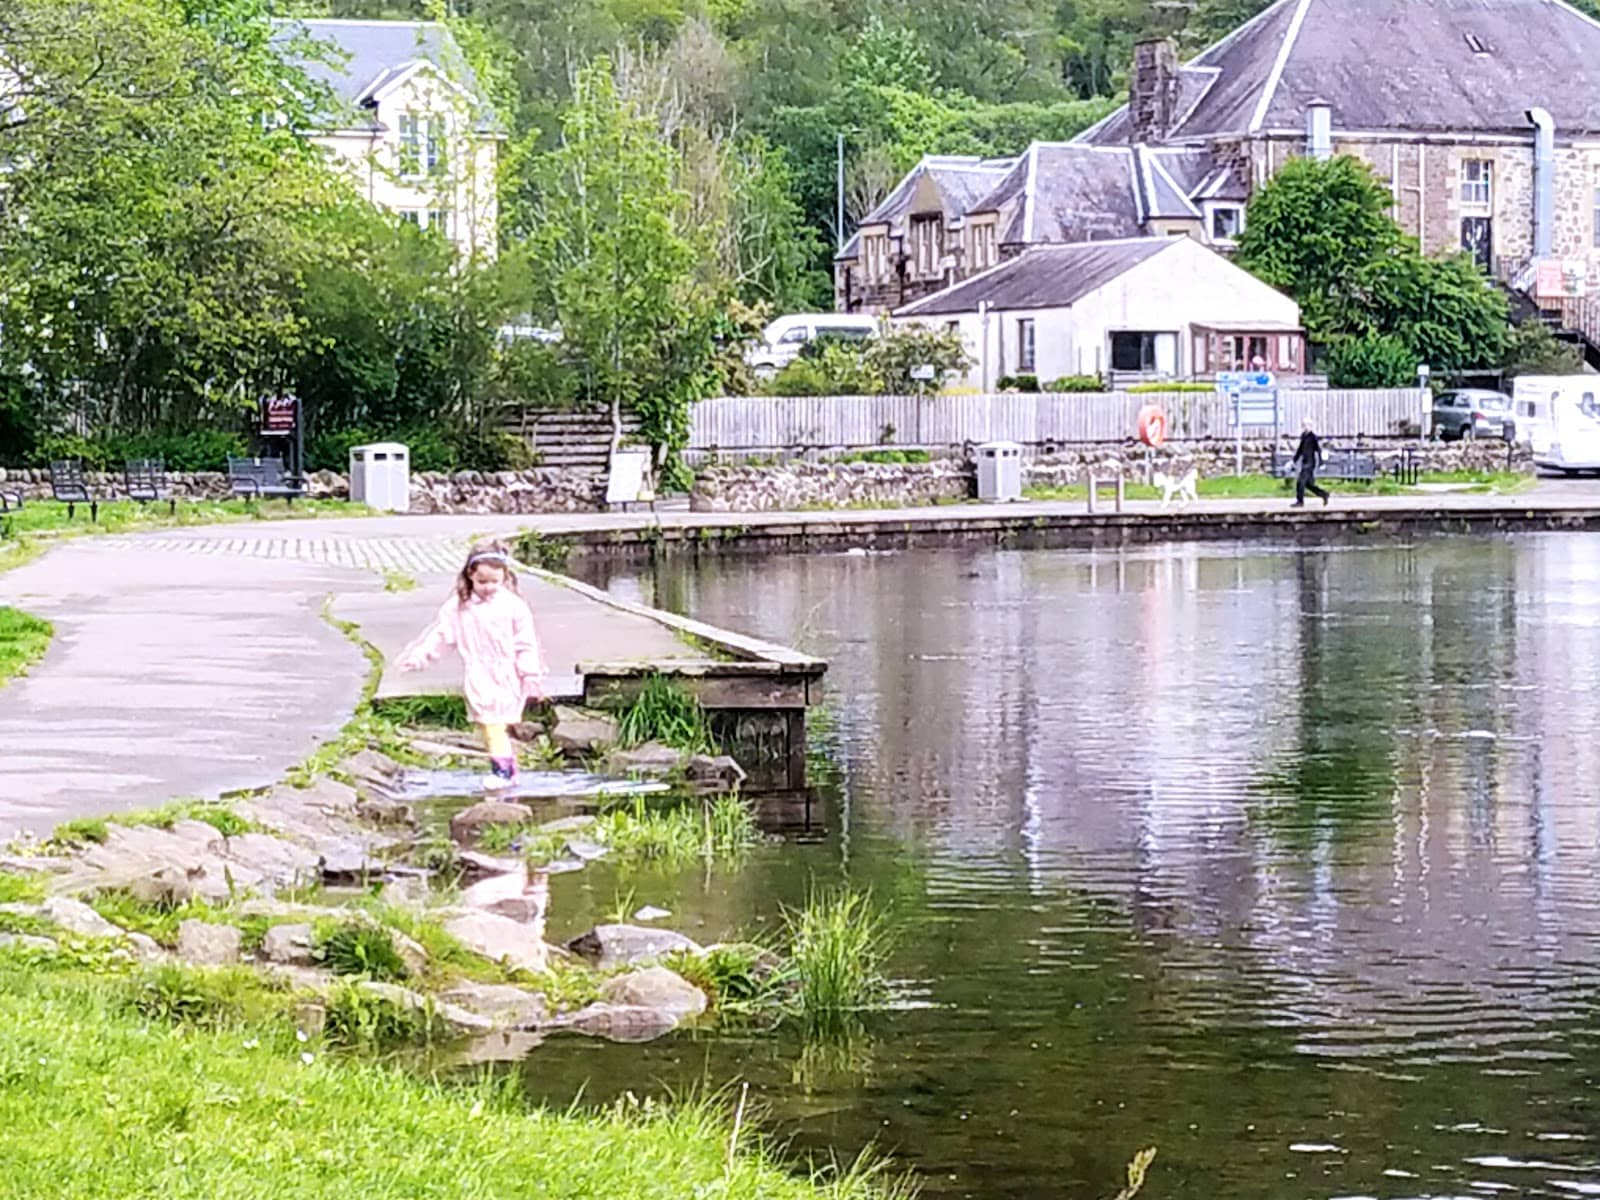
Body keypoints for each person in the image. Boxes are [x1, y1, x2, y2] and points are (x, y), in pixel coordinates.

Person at [398, 541, 545, 790]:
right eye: (482, 581)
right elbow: (442, 635)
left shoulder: (513, 606)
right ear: (470, 576)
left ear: (505, 577)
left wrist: (530, 673)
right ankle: (509, 771)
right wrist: (420, 657)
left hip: (506, 673)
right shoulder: (459, 606)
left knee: (494, 724)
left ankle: (502, 773)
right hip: (478, 673)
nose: (488, 588)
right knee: (488, 725)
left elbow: (525, 643)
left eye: (495, 582)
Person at [1291, 419, 1330, 508]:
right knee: (1308, 484)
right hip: (1305, 462)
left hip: (1310, 462)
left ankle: (1300, 501)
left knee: (1300, 482)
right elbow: (1300, 449)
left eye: (1306, 425)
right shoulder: (1304, 436)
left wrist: (1321, 462)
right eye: (1303, 425)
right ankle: (1324, 494)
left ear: (1310, 426)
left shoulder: (1313, 437)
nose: (1305, 427)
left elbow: (1318, 450)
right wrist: (1294, 460)